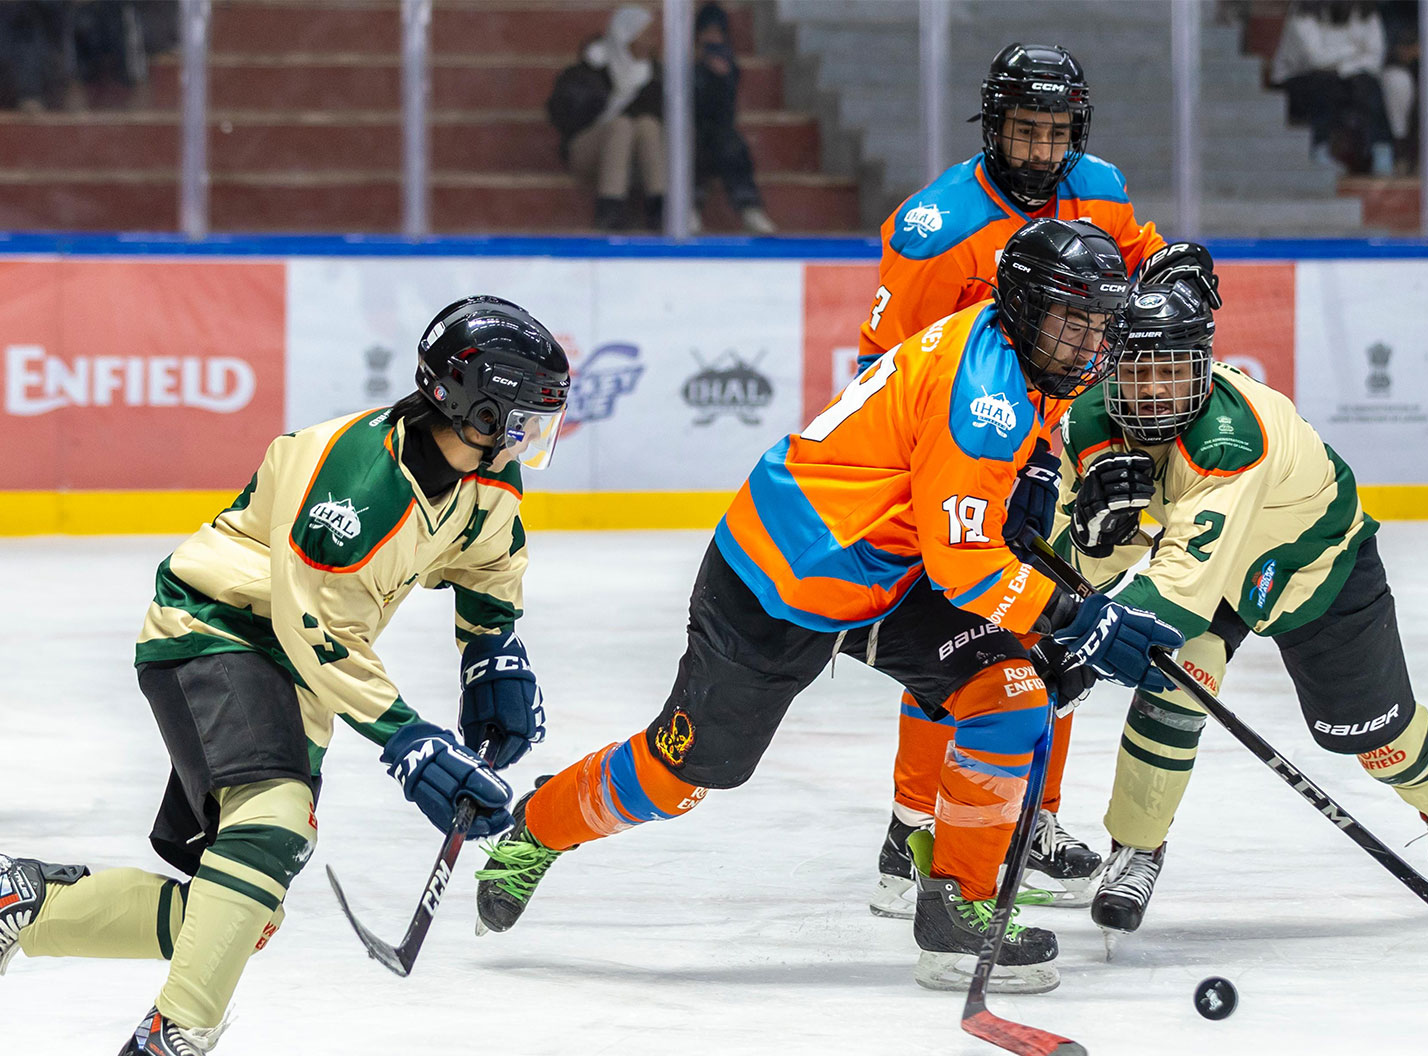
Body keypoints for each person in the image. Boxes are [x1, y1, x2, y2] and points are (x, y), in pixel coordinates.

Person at [475, 219, 1183, 995]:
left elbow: (970, 525)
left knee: (1010, 695)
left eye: (1096, 323)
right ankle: (538, 828)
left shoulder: (1017, 353)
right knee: (682, 774)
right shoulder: (985, 397)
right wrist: (1081, 621)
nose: (1086, 343)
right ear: (1023, 307)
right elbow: (968, 567)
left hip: (888, 567)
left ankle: (959, 910)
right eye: (1070, 321)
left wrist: (1042, 527)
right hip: (785, 574)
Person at [0, 296, 568, 1056]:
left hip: (290, 667)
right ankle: (165, 1043)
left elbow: (488, 560)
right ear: (478, 407)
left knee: (244, 911)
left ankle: (24, 905)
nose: (530, 438)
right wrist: (409, 742)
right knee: (272, 823)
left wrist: (492, 651)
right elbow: (315, 629)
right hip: (218, 630)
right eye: (522, 419)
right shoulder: (354, 477)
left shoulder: (488, 474)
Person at [856, 41, 1222, 921]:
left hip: (1050, 448)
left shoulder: (1099, 186)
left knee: (1050, 634)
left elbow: (1132, 264)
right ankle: (910, 831)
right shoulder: (935, 229)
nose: (1040, 151)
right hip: (956, 459)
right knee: (956, 643)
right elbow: (883, 370)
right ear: (993, 125)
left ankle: (1030, 820)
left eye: (1056, 133)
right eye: (1025, 130)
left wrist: (1173, 263)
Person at [1053, 279, 1428, 946]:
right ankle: (1137, 848)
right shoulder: (1089, 424)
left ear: (1204, 368)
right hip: (1208, 560)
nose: (1157, 391)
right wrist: (1090, 542)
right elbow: (1073, 559)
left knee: (1374, 736)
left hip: (1311, 563)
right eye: (1140, 371)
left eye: (1175, 371)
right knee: (1175, 680)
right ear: (1112, 367)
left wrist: (1088, 644)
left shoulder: (1229, 441)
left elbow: (1174, 595)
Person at [547, 5, 666, 231]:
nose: (651, 42)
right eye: (645, 35)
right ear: (627, 35)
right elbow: (565, 113)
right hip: (588, 148)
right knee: (620, 126)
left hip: (633, 155)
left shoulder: (654, 76)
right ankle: (610, 207)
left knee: (647, 125)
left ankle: (659, 206)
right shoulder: (591, 67)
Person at [1271, 0, 1397, 175]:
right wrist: (1354, 52)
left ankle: (1381, 150)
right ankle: (1319, 148)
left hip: (1346, 76)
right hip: (1296, 80)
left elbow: (1375, 57)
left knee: (1367, 84)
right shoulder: (1303, 10)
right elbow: (1315, 58)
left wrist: (1345, 67)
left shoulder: (1365, 10)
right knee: (1326, 83)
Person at [692, 1, 775, 234]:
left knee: (731, 145)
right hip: (691, 131)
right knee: (690, 146)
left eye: (717, 33)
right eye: (707, 32)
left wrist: (720, 78)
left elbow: (724, 111)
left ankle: (749, 208)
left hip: (719, 133)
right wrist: (697, 68)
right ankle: (688, 208)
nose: (712, 38)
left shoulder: (728, 67)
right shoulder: (686, 65)